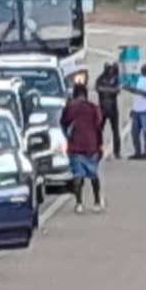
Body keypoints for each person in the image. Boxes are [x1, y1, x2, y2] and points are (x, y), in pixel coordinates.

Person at [60, 82, 105, 214]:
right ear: (85, 94)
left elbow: (63, 123)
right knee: (93, 174)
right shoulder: (93, 107)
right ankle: (96, 201)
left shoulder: (70, 107)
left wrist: (68, 137)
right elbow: (98, 127)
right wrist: (99, 145)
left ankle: (79, 203)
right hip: (91, 145)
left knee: (77, 175)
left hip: (75, 145)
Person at [127, 63, 146, 160]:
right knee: (134, 133)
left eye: (144, 71)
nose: (142, 72)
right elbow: (135, 95)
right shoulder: (139, 79)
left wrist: (137, 91)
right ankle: (137, 152)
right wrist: (130, 89)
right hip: (137, 110)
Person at [94, 62, 122, 159]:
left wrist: (106, 90)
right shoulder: (100, 78)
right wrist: (110, 90)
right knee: (98, 131)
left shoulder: (116, 78)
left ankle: (117, 152)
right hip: (102, 109)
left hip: (113, 108)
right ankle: (97, 150)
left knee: (115, 131)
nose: (110, 72)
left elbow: (118, 90)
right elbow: (98, 88)